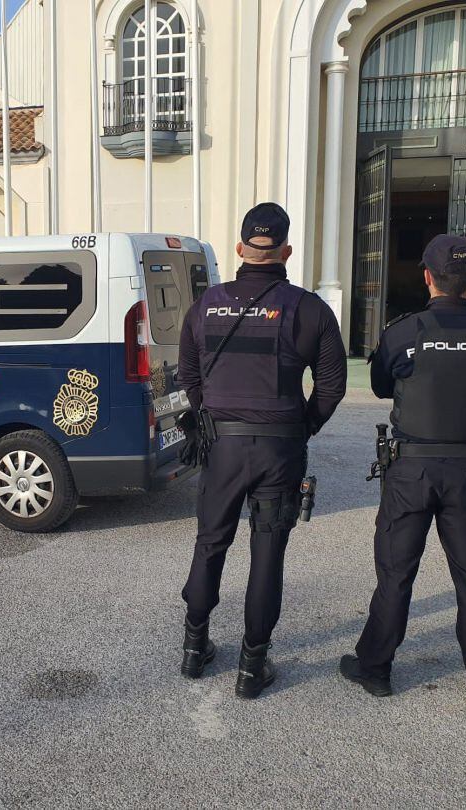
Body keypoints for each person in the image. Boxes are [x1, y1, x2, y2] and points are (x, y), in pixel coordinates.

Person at [177, 202, 347, 699]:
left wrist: (208, 418)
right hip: (280, 450)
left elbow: (188, 373)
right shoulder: (309, 308)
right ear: (286, 251)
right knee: (267, 554)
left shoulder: (206, 305)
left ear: (239, 249)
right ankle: (252, 667)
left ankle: (194, 648)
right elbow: (332, 385)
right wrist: (302, 428)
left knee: (211, 544)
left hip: (222, 449)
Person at [340, 234, 466, 706]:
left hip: (410, 471)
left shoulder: (403, 331)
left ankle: (375, 669)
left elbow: (379, 386)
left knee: (396, 575)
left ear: (426, 277)